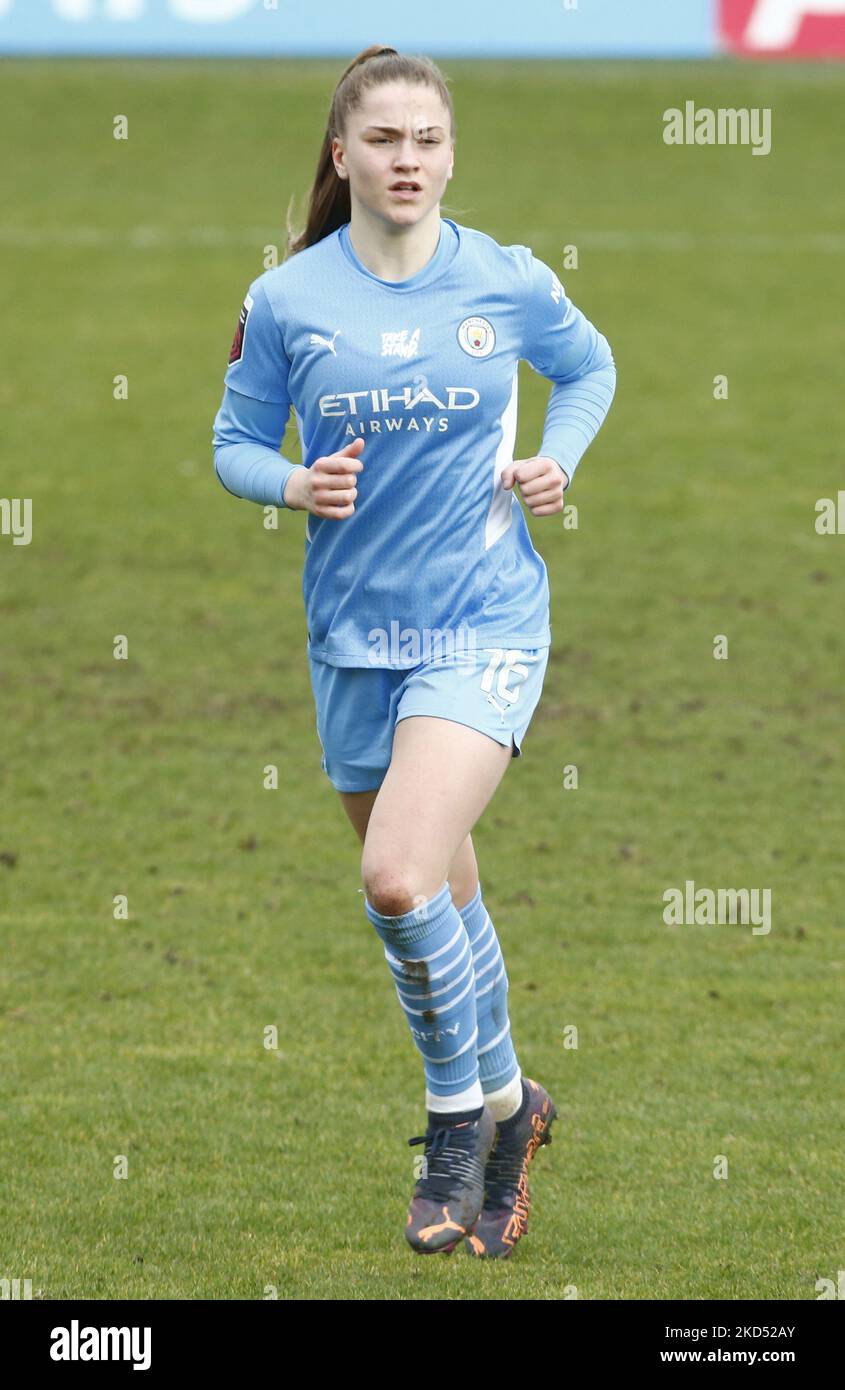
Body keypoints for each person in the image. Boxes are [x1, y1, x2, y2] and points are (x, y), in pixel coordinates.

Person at [212, 44, 616, 1259]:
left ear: (450, 153)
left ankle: (454, 1125)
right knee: (435, 895)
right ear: (343, 154)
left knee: (396, 874)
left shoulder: (502, 279)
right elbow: (232, 441)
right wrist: (292, 480)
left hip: (483, 624)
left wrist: (559, 459)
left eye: (426, 141)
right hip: (351, 640)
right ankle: (512, 1104)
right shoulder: (289, 301)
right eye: (383, 141)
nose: (407, 161)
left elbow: (587, 367)